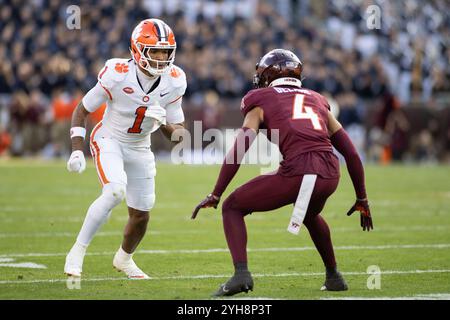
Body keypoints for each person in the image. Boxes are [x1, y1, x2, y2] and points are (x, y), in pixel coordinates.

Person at [192, 49, 373, 296]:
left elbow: (239, 149)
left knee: (232, 206)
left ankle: (241, 275)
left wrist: (216, 193)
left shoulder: (260, 98)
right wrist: (362, 197)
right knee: (310, 215)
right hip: (331, 172)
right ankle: (334, 276)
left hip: (300, 170)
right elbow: (351, 154)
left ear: (267, 75)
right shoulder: (317, 98)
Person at [64, 18, 187, 279]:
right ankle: (77, 250)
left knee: (141, 214)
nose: (161, 57)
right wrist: (76, 148)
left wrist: (164, 122)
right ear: (137, 49)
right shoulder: (117, 73)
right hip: (110, 137)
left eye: (166, 52)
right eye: (155, 51)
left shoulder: (174, 81)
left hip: (140, 147)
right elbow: (82, 109)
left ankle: (124, 259)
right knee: (115, 191)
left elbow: (180, 136)